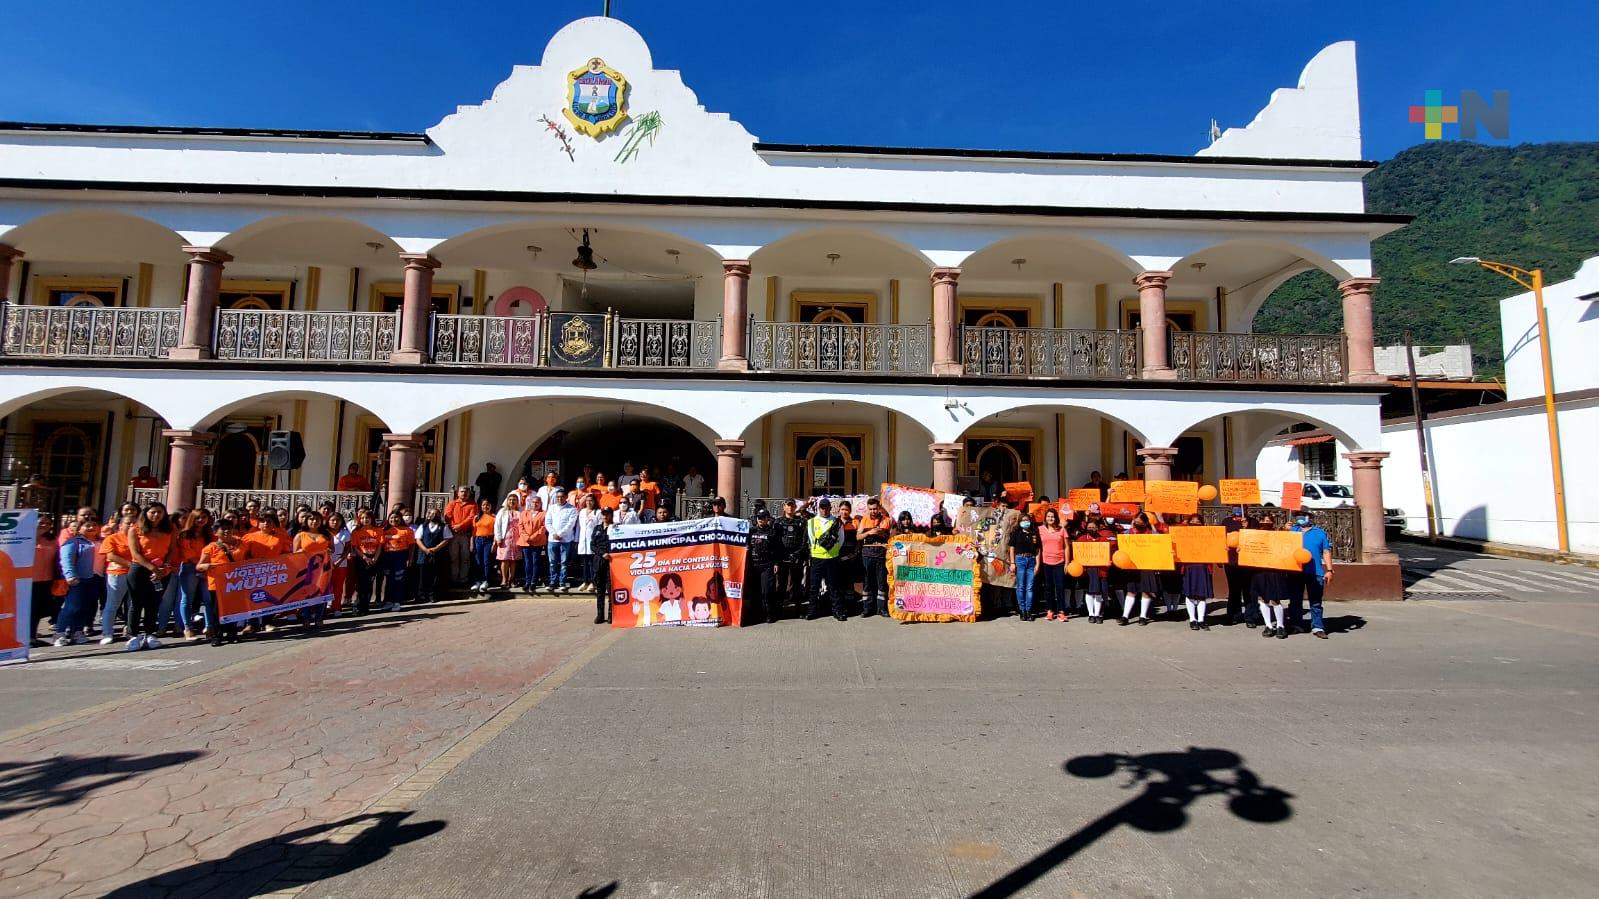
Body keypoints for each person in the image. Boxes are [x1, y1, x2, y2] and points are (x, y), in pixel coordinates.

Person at [125, 502, 178, 651]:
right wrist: (153, 568)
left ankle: (150, 633)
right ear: (146, 513)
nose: (156, 515)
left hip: (162, 569)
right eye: (153, 512)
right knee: (136, 603)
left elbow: (172, 550)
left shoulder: (171, 529)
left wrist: (164, 567)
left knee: (153, 603)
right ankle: (133, 635)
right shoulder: (135, 529)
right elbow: (135, 553)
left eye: (159, 512)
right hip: (140, 568)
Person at [196, 517, 246, 645]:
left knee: (234, 609)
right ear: (215, 532)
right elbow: (199, 566)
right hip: (217, 584)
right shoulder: (211, 547)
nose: (226, 531)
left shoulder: (241, 544)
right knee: (216, 611)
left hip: (236, 583)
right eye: (223, 529)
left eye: (229, 528)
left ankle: (232, 633)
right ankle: (216, 636)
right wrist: (207, 566)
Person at [56, 510, 102, 646]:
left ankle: (78, 632)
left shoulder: (101, 541)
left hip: (96, 578)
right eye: (88, 525)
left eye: (94, 525)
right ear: (80, 528)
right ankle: (60, 632)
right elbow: (66, 559)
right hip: (78, 578)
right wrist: (70, 575)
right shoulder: (74, 541)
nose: (92, 528)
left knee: (85, 607)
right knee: (72, 606)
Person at [1289, 511, 1334, 639]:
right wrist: (1285, 530)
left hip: (1315, 572)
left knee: (1315, 601)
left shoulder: (1319, 533)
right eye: (1297, 516)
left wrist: (1329, 570)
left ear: (1310, 517)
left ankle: (1317, 627)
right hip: (1295, 571)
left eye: (1302, 515)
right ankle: (1296, 624)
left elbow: (1326, 551)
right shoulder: (1292, 531)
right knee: (1295, 600)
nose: (1300, 518)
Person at [97, 511, 135, 644]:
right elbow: (110, 556)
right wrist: (131, 565)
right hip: (118, 573)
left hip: (135, 575)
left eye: (134, 523)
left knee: (133, 604)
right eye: (128, 523)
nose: (131, 525)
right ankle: (107, 632)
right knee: (113, 604)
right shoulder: (112, 538)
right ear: (120, 525)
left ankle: (131, 630)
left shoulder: (139, 538)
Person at [174, 509, 212, 640]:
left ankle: (209, 627)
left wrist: (205, 565)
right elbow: (187, 554)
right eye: (198, 518)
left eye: (204, 517)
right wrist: (200, 564)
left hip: (207, 568)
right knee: (187, 599)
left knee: (208, 599)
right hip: (190, 567)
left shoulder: (209, 535)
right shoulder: (184, 535)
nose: (201, 520)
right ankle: (187, 628)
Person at [1251, 513, 1291, 639]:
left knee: (1275, 599)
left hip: (1274, 570)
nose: (1265, 523)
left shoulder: (1278, 534)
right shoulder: (1254, 535)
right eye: (1263, 520)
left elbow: (1286, 544)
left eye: (1268, 521)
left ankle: (1280, 626)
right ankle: (1268, 625)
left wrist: (1285, 530)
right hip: (1259, 571)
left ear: (1272, 523)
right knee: (1262, 599)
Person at [806, 498, 844, 621]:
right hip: (817, 558)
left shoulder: (836, 522)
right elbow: (812, 540)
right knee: (814, 587)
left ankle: (837, 611)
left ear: (830, 508)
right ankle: (812, 611)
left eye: (826, 507)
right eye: (822, 507)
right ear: (818, 508)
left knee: (834, 586)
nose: (824, 509)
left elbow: (841, 539)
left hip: (832, 558)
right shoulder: (811, 522)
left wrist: (834, 550)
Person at [1222, 507, 1258, 628]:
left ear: (1246, 509)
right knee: (1233, 590)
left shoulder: (1253, 522)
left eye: (1240, 507)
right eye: (1235, 507)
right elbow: (1220, 538)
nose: (1237, 509)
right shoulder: (1226, 522)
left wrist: (1246, 527)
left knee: (1249, 591)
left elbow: (1257, 539)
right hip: (1231, 562)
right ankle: (1233, 615)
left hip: (1247, 562)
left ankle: (1250, 617)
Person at [1078, 511, 1115, 624]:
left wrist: (1110, 561)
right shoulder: (1082, 539)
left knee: (1099, 593)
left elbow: (1110, 554)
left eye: (1094, 527)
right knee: (1089, 592)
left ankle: (1098, 614)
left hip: (1101, 570)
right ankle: (1091, 614)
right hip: (1087, 571)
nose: (1091, 529)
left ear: (1098, 528)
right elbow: (1077, 554)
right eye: (1089, 527)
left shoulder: (1104, 540)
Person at [857, 497, 891, 618]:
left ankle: (881, 609)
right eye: (870, 509)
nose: (873, 511)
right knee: (867, 583)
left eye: (875, 509)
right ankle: (867, 609)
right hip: (867, 554)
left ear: (879, 508)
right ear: (868, 509)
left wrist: (882, 533)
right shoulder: (864, 519)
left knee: (881, 582)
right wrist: (868, 533)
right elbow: (858, 537)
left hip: (881, 554)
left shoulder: (887, 520)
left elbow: (892, 539)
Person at [1180, 512, 1215, 631]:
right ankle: (1192, 619)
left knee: (1201, 595)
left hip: (1203, 567)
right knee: (1190, 594)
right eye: (1192, 521)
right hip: (1189, 566)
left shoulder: (1208, 535)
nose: (1195, 524)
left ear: (1202, 523)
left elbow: (1214, 548)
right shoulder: (1183, 534)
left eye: (1197, 522)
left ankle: (1201, 620)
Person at [29, 513, 60, 646]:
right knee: (31, 609)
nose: (45, 525)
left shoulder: (52, 540)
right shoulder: (27, 538)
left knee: (41, 609)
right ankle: (30, 636)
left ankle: (31, 633)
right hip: (29, 580)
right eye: (41, 522)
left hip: (47, 579)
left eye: (48, 523)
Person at [746, 506, 780, 623]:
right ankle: (755, 615)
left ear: (767, 518)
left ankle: (770, 614)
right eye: (759, 517)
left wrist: (776, 563)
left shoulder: (772, 532)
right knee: (754, 592)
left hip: (767, 564)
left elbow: (776, 549)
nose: (760, 520)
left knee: (767, 591)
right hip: (754, 565)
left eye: (763, 517)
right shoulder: (751, 531)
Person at [349, 508, 386, 614]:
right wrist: (364, 557)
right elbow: (355, 547)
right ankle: (360, 606)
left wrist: (375, 558)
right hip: (362, 559)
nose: (365, 520)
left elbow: (380, 545)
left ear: (372, 519)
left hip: (374, 558)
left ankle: (366, 606)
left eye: (367, 518)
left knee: (369, 584)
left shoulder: (378, 531)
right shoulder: (356, 532)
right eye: (363, 518)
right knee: (361, 584)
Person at [774, 500, 807, 614]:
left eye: (792, 506)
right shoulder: (777, 522)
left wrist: (798, 554)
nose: (790, 508)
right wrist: (777, 559)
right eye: (788, 505)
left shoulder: (801, 521)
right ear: (784, 507)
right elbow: (775, 541)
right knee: (781, 583)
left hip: (796, 556)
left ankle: (797, 608)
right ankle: (778, 608)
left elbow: (804, 540)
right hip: (782, 556)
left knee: (797, 583)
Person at [413, 507, 452, 603]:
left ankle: (432, 595)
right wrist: (425, 549)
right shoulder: (423, 526)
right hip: (424, 554)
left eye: (436, 514)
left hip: (437, 554)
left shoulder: (443, 526)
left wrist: (436, 548)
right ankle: (421, 595)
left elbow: (447, 539)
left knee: (435, 576)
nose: (433, 515)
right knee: (422, 575)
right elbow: (418, 539)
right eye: (431, 513)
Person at [379, 509, 416, 610]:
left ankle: (397, 602)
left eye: (396, 517)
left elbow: (412, 545)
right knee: (389, 580)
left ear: (400, 519)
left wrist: (410, 558)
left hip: (401, 556)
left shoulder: (407, 530)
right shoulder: (384, 530)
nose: (394, 519)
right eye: (391, 518)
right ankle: (389, 601)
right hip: (387, 556)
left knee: (399, 579)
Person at [1037, 507, 1069, 622]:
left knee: (1060, 587)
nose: (1050, 518)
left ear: (1056, 518)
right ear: (1045, 518)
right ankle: (1050, 610)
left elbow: (1066, 547)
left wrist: (1067, 562)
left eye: (1052, 516)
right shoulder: (1040, 529)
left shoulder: (1062, 530)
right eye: (1048, 516)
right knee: (1048, 588)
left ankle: (1061, 611)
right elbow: (1038, 547)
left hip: (1059, 562)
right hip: (1046, 562)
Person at [443, 486, 478, 587]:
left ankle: (464, 578)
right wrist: (453, 526)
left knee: (465, 557)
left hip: (465, 534)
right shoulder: (452, 503)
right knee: (454, 557)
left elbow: (472, 517)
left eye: (466, 492)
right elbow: (447, 516)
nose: (464, 493)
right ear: (458, 493)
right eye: (462, 491)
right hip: (453, 534)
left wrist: (460, 525)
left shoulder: (473, 505)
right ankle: (454, 578)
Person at [546, 487, 579, 593]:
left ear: (566, 498)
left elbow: (571, 524)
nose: (560, 499)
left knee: (564, 562)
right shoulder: (551, 508)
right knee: (552, 562)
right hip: (552, 539)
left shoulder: (572, 509)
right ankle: (553, 582)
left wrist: (560, 534)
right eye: (558, 497)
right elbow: (548, 522)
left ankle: (562, 582)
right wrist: (553, 533)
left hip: (566, 539)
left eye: (562, 497)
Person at [1009, 511, 1041, 621]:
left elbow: (1037, 550)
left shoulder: (1034, 533)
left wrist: (1037, 564)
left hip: (1031, 560)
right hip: (1020, 560)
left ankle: (1029, 610)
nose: (1025, 522)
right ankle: (1022, 610)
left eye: (1027, 520)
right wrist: (1012, 563)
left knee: (1030, 587)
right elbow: (1012, 548)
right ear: (1020, 522)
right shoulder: (1016, 533)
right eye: (1023, 520)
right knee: (1021, 586)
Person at [517, 495, 548, 593]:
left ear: (540, 504)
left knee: (535, 562)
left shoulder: (544, 514)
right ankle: (527, 581)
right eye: (533, 502)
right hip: (525, 541)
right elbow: (520, 526)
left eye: (537, 502)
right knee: (527, 562)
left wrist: (533, 537)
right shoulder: (524, 513)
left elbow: (543, 527)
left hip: (537, 541)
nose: (535, 504)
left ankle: (534, 582)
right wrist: (527, 537)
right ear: (530, 504)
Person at [590, 506, 615, 624]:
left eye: (607, 514)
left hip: (611, 563)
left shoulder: (615, 528)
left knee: (610, 590)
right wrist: (602, 553)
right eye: (603, 514)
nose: (605, 516)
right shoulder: (597, 528)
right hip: (599, 562)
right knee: (599, 590)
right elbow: (592, 545)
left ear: (611, 515)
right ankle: (600, 615)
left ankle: (611, 615)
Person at [493, 494, 521, 594]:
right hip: (505, 538)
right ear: (507, 501)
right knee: (505, 559)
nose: (512, 502)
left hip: (516, 538)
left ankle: (512, 579)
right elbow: (497, 525)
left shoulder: (519, 512)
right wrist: (498, 537)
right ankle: (504, 579)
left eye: (514, 500)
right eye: (510, 500)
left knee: (513, 560)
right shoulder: (502, 512)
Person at [576, 493, 601, 592]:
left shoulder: (598, 512)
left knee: (592, 564)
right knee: (585, 563)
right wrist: (576, 539)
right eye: (587, 501)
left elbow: (599, 527)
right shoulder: (582, 512)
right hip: (583, 541)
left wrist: (598, 540)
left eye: (591, 500)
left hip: (593, 541)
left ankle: (593, 583)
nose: (589, 502)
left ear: (594, 502)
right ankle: (585, 581)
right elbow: (579, 527)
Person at [471, 499, 497, 594]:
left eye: (487, 505)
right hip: (478, 540)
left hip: (488, 540)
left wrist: (494, 543)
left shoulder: (494, 517)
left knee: (487, 561)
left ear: (490, 506)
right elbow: (473, 532)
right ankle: (478, 581)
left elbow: (496, 531)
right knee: (478, 561)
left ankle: (486, 581)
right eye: (483, 505)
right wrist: (472, 543)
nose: (485, 507)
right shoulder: (477, 517)